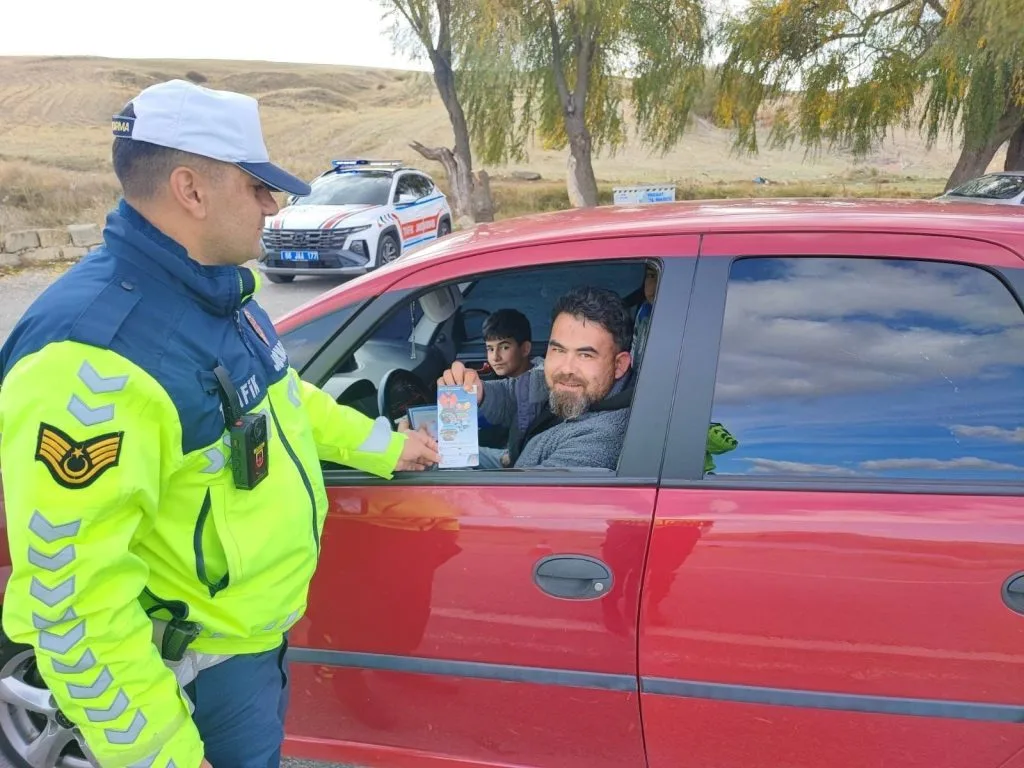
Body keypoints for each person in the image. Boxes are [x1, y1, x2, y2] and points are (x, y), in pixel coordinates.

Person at [0, 79, 439, 768]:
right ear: (191, 190)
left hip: (246, 649)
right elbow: (71, 602)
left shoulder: (218, 297)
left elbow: (286, 401)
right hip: (191, 679)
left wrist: (383, 445)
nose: (274, 203)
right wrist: (164, 754)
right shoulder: (94, 357)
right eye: (257, 186)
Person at [439, 286, 634, 470]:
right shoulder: (568, 384)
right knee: (434, 454)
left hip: (516, 485)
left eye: (585, 355)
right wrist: (480, 392)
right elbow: (516, 392)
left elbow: (521, 499)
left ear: (619, 366)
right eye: (558, 350)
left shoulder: (602, 439)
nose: (566, 369)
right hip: (515, 461)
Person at [476, 309, 543, 468]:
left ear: (525, 349)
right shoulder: (513, 382)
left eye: (504, 347)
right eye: (490, 349)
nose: (495, 357)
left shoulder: (540, 383)